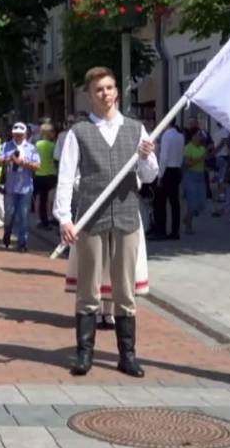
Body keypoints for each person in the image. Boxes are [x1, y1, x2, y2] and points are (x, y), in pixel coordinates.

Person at [55, 66, 158, 378]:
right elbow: (65, 177)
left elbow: (150, 176)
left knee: (124, 291)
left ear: (117, 91)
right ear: (90, 95)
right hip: (91, 218)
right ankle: (84, 354)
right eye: (99, 89)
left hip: (127, 217)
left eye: (110, 88)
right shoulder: (79, 133)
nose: (106, 94)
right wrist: (64, 218)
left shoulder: (136, 129)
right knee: (88, 291)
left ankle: (127, 355)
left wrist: (146, 157)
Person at [0, 122, 40, 253]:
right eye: (15, 134)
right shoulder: (6, 146)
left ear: (25, 134)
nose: (18, 137)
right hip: (11, 187)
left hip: (26, 187)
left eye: (20, 135)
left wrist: (24, 162)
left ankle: (22, 243)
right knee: (9, 215)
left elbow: (38, 165)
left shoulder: (31, 148)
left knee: (24, 216)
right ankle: (7, 232)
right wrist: (8, 159)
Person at [151, 119, 184, 240]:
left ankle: (161, 231)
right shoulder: (180, 136)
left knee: (160, 202)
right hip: (176, 169)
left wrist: (160, 175)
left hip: (167, 171)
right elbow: (181, 154)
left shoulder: (166, 135)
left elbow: (163, 157)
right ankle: (175, 232)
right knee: (175, 203)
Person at [182, 130, 208, 234]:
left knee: (201, 203)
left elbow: (207, 159)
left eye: (201, 136)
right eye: (198, 136)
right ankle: (188, 227)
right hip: (190, 175)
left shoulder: (202, 148)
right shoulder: (188, 148)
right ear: (192, 136)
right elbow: (187, 164)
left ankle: (186, 218)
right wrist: (201, 158)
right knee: (192, 203)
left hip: (200, 176)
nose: (200, 138)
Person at [34, 124, 58, 229]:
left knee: (41, 199)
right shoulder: (53, 145)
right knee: (51, 199)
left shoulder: (37, 144)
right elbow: (56, 159)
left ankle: (42, 220)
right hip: (51, 175)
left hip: (39, 174)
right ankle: (50, 218)